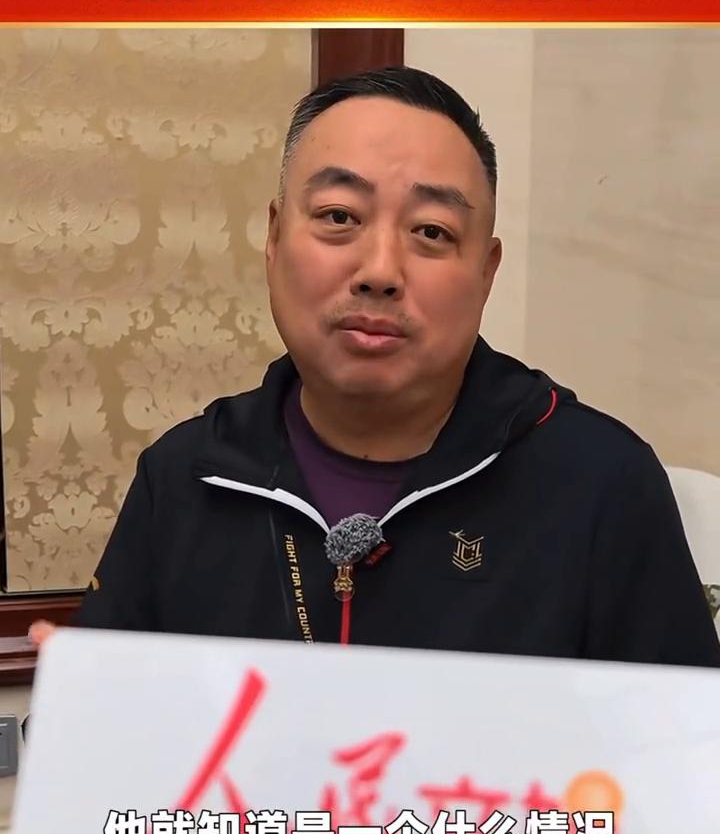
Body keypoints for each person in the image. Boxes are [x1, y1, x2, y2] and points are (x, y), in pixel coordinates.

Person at [30, 66, 720, 666]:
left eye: (432, 232)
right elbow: (118, 744)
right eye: (339, 216)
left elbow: (680, 761)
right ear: (273, 237)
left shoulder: (602, 484)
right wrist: (83, 715)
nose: (380, 271)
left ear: (486, 271)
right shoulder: (186, 477)